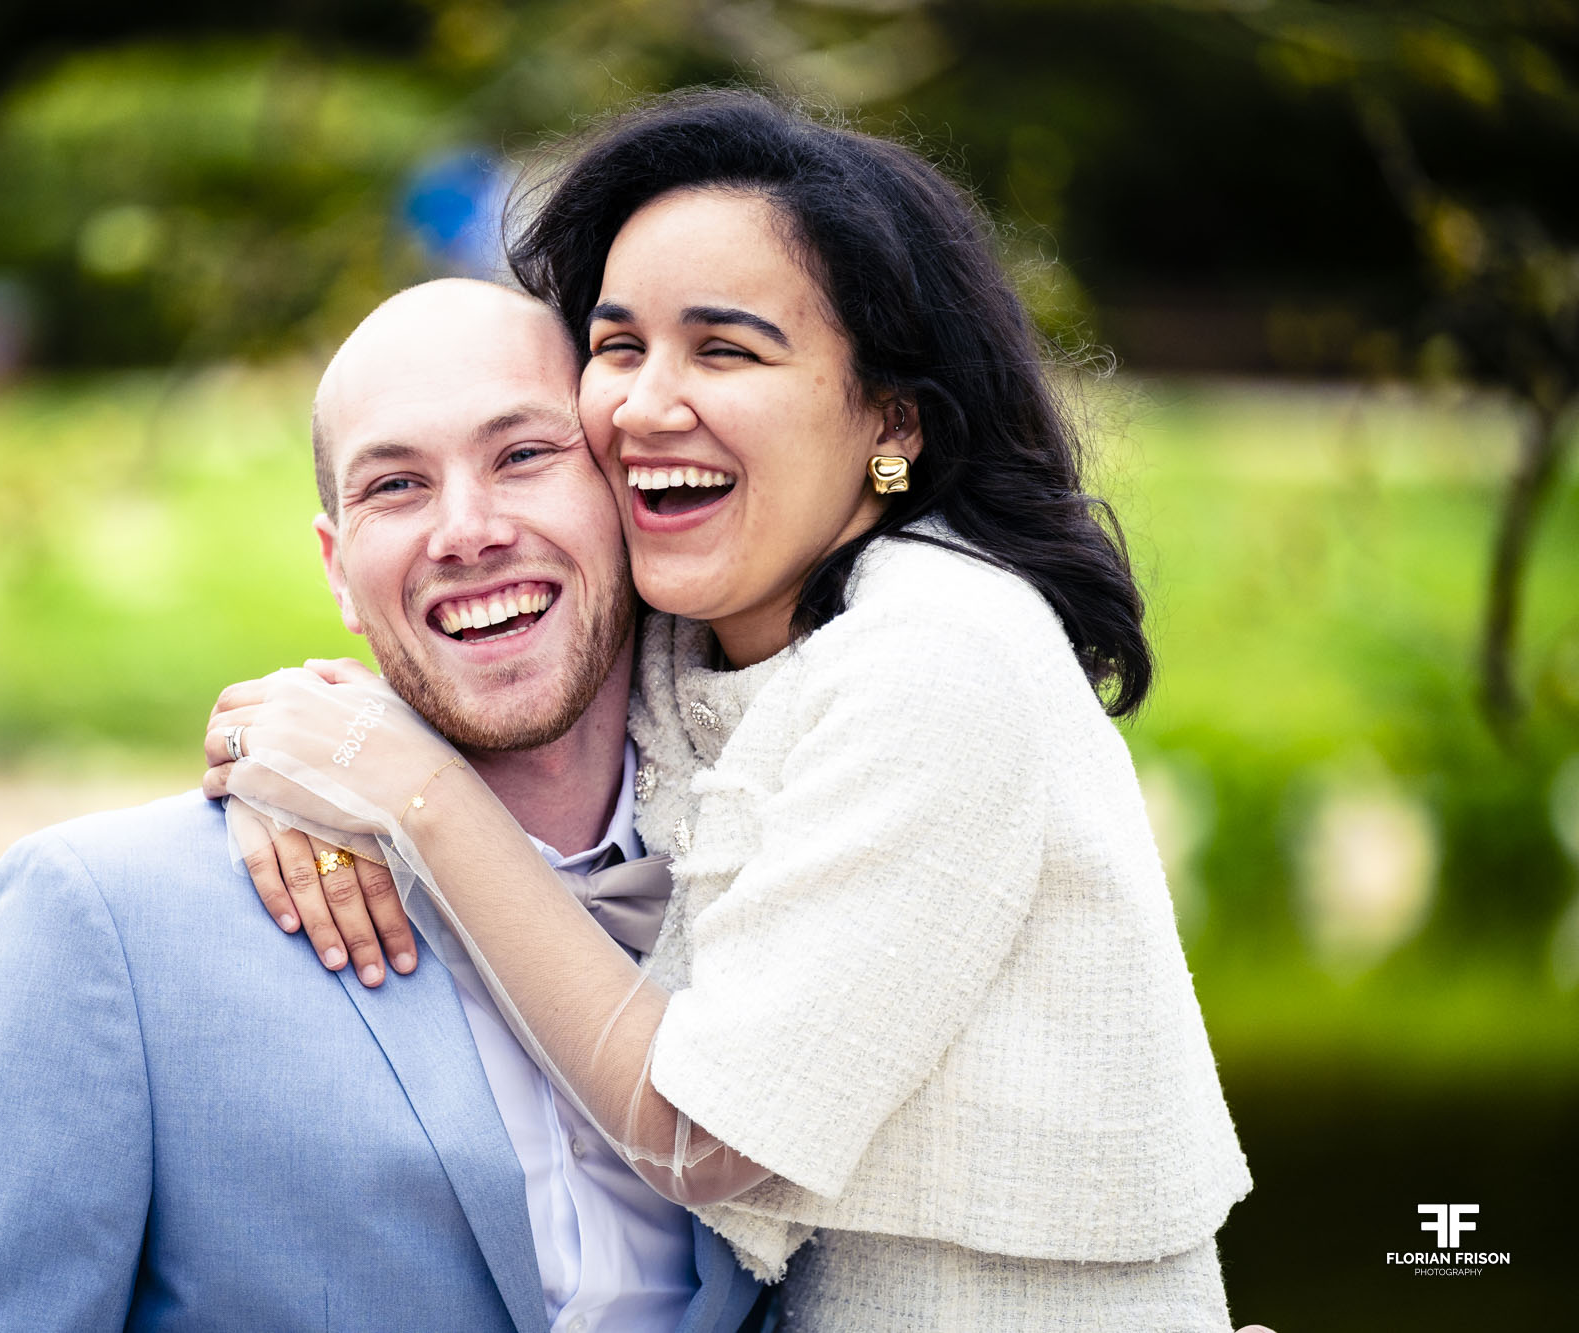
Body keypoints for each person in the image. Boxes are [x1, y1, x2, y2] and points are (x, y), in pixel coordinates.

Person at [207, 90, 1253, 1331]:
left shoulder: (940, 654)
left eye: (726, 350)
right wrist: (285, 764)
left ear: (890, 419)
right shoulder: (699, 627)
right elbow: (473, 642)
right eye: (616, 344)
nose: (646, 405)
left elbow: (706, 1139)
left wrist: (412, 798)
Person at [0, 279, 766, 1333]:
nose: (465, 531)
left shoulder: (775, 878)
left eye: (523, 456)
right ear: (339, 571)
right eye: (394, 485)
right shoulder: (104, 918)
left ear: (625, 497)